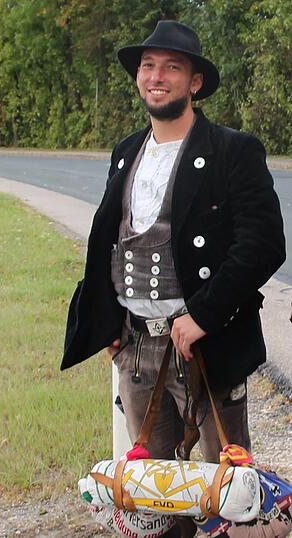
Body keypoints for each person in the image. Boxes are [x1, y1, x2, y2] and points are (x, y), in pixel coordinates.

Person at [61, 20, 285, 466]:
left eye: (171, 67)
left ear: (194, 82)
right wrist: (109, 323)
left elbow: (263, 243)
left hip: (206, 344)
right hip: (137, 346)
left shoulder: (232, 150)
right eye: (148, 66)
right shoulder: (126, 150)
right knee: (154, 492)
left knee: (227, 493)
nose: (156, 77)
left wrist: (203, 314)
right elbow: (112, 239)